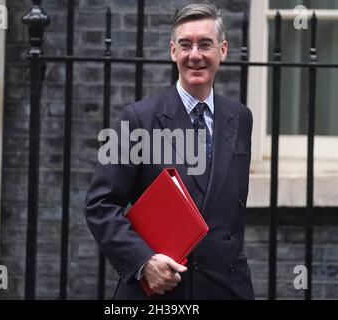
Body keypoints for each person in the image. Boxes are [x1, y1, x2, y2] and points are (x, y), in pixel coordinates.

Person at [85, 3, 254, 300]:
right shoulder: (138, 118)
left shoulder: (240, 117)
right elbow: (100, 204)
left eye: (205, 44)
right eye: (185, 45)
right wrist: (144, 261)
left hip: (226, 288)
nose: (195, 55)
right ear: (173, 51)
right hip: (163, 292)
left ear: (223, 50)